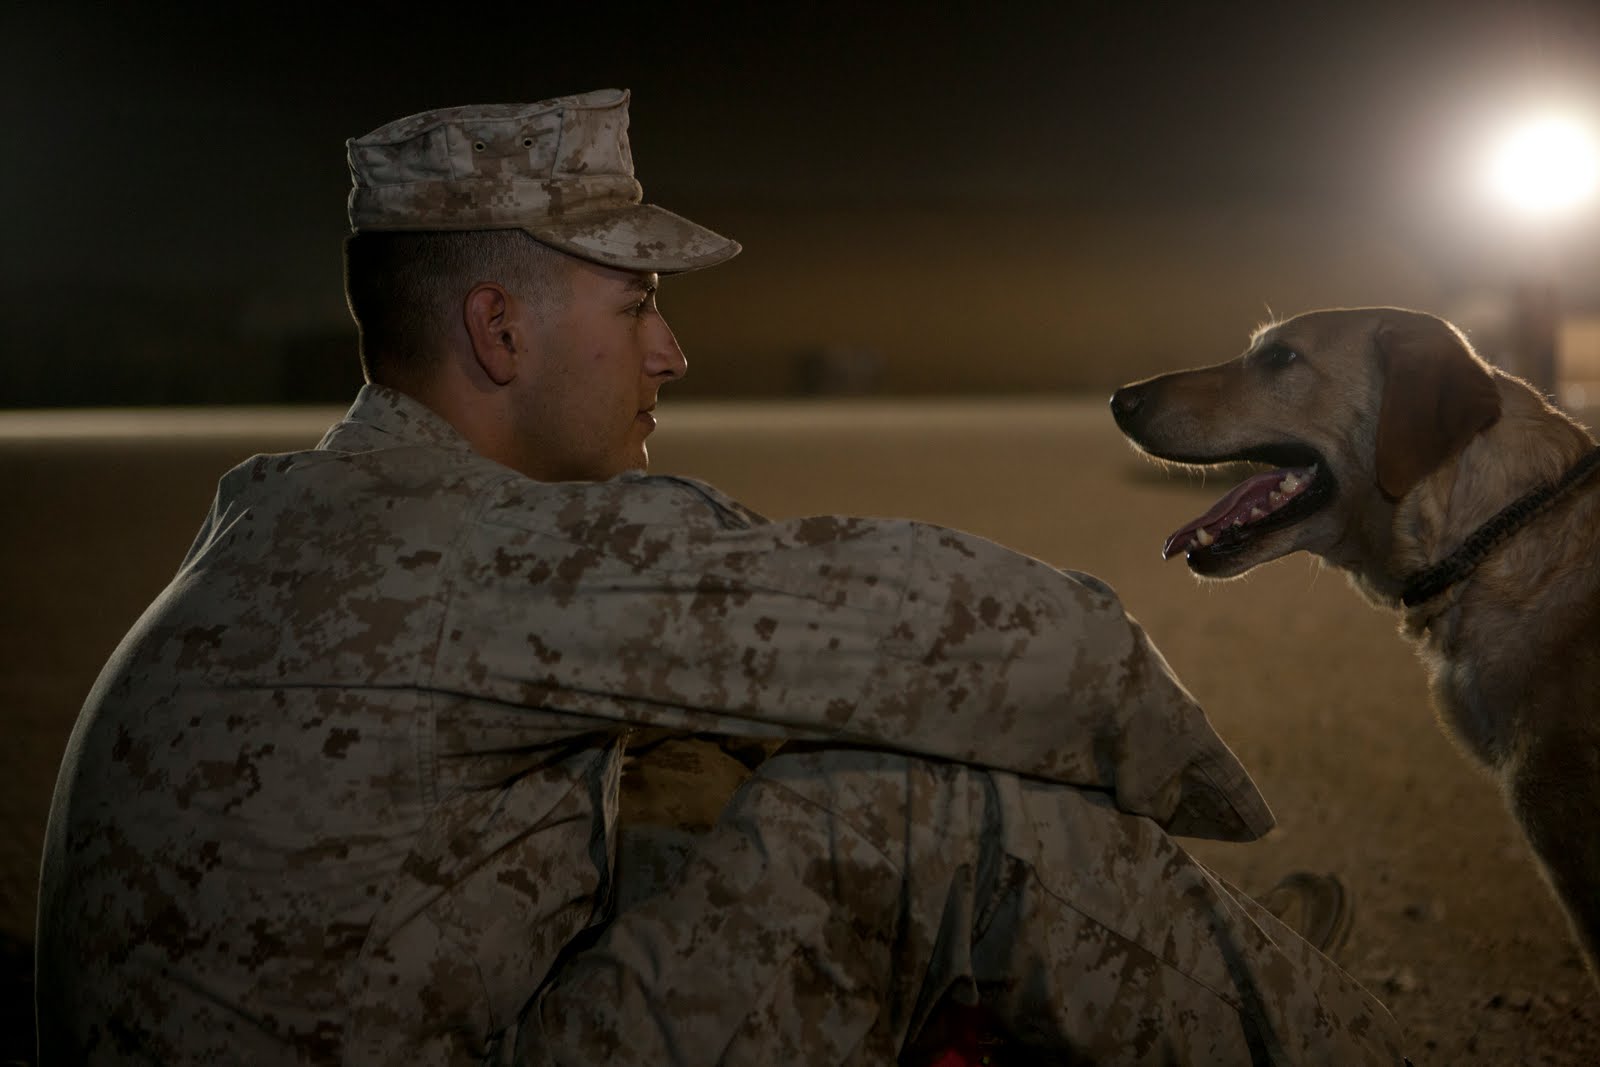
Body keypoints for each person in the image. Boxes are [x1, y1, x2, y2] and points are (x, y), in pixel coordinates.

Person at [35, 88, 1409, 1065]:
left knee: (702, 783)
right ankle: (1304, 1023)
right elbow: (1039, 648)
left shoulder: (302, 514)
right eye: (635, 309)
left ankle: (1173, 973)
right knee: (909, 815)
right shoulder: (490, 550)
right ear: (498, 332)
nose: (672, 352)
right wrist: (1186, 802)